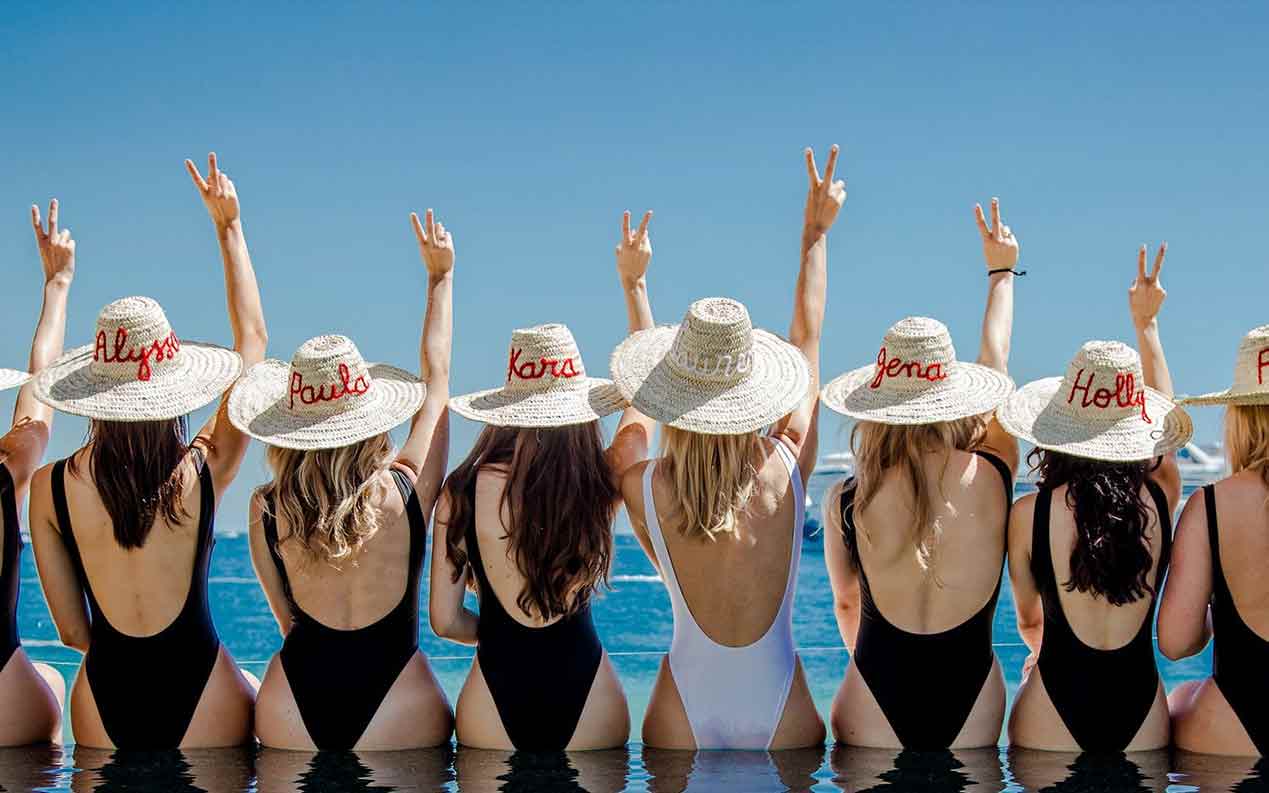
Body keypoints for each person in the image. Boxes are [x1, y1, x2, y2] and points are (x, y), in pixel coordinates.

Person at [27, 153, 266, 749]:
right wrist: (229, 227)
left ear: (91, 393)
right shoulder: (202, 470)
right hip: (203, 693)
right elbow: (254, 343)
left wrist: (56, 285)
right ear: (175, 386)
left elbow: (72, 631)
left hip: (104, 699)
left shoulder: (52, 487)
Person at [615, 146, 845, 750]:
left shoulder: (643, 485)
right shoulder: (789, 463)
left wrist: (636, 287)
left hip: (681, 710)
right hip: (782, 706)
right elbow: (809, 336)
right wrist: (814, 236)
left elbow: (638, 407)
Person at [429, 209, 658, 751]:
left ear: (506, 406)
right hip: (589, 699)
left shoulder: (461, 491)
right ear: (579, 403)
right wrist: (636, 284)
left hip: (493, 696)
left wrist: (499, 632)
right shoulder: (602, 478)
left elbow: (443, 620)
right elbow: (645, 395)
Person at [241, 208, 456, 750]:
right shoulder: (406, 491)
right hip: (400, 702)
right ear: (371, 419)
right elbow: (436, 382)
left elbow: (288, 620)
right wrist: (440, 280)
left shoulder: (265, 507)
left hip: (292, 702)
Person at [820, 198, 1020, 749]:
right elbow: (997, 360)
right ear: (958, 399)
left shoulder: (846, 499)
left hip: (873, 696)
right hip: (974, 697)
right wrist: (1002, 274)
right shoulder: (994, 477)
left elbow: (845, 603)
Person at [1002, 244, 1190, 752]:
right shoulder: (1160, 494)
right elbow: (1166, 440)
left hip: (1051, 714)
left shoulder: (1030, 514)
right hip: (1142, 714)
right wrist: (1147, 326)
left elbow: (1030, 621)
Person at [1160, 323, 1269, 756]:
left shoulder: (1210, 505)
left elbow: (1175, 643)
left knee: (1178, 699)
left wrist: (1216, 609)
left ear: (1239, 416)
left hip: (1235, 730)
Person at [0, 200, 75, 746]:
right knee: (50, 676)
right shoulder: (8, 471)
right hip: (6, 699)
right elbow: (40, 385)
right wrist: (57, 285)